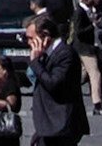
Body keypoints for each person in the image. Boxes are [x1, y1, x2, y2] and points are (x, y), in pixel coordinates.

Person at [26, 12, 88, 146]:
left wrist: (35, 62)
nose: (29, 43)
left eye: (31, 38)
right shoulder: (46, 54)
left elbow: (54, 84)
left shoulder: (65, 54)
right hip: (48, 127)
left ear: (46, 36)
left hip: (61, 126)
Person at [74, 0, 102, 115]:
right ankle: (97, 104)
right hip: (84, 48)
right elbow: (78, 32)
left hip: (90, 47)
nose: (97, 0)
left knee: (83, 75)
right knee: (95, 74)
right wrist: (93, 24)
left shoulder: (89, 11)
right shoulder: (79, 12)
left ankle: (65, 91)